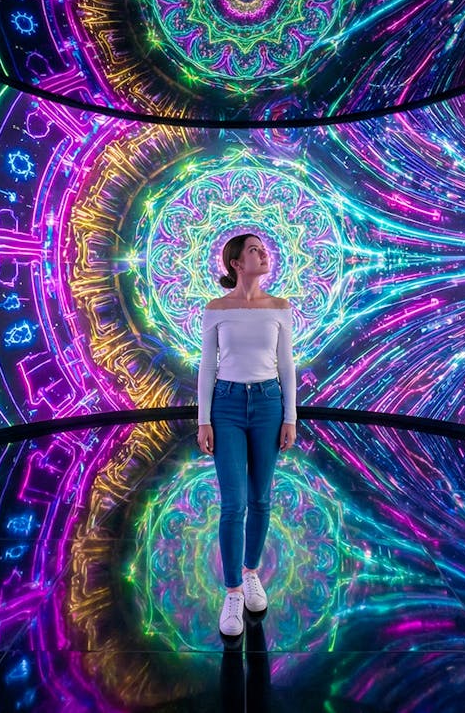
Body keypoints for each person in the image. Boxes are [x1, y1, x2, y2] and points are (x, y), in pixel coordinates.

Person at [196, 233, 298, 638]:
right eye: (254, 250)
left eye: (263, 249)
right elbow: (207, 366)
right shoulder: (216, 308)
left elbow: (287, 365)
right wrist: (204, 419)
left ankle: (251, 571)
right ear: (236, 262)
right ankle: (234, 592)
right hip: (228, 405)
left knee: (261, 497)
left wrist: (290, 415)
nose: (263, 253)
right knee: (234, 501)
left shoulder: (280, 307)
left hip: (269, 404)